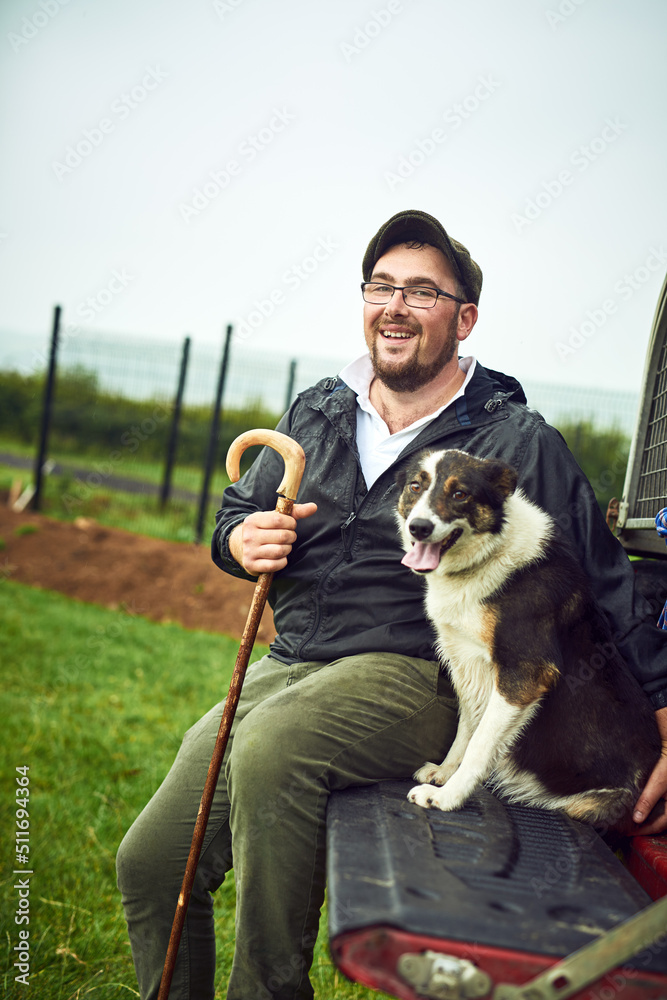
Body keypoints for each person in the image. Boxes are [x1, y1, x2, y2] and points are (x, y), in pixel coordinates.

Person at [116, 209, 667, 1000]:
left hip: (416, 672)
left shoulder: (512, 440)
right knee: (152, 863)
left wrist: (662, 706)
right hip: (295, 659)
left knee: (273, 751)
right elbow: (237, 515)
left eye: (422, 291)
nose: (395, 305)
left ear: (463, 317)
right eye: (381, 285)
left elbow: (606, 578)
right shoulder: (320, 408)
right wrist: (241, 542)